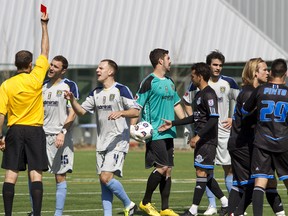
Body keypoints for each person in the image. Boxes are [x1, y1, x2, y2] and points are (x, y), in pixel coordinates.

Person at [64, 59, 139, 216]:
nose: (97, 70)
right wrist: (72, 100)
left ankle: (129, 204)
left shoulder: (121, 90)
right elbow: (81, 111)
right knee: (103, 182)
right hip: (102, 143)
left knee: (106, 177)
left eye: (101, 68)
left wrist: (121, 112)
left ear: (110, 72)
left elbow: (135, 111)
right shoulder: (96, 92)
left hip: (118, 141)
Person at [158, 62, 228, 216]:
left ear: (200, 76)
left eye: (193, 76)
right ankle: (225, 202)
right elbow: (195, 118)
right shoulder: (198, 94)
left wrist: (198, 136)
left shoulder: (209, 94)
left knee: (201, 172)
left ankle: (193, 209)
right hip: (202, 140)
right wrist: (173, 123)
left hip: (208, 141)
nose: (191, 78)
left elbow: (213, 119)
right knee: (206, 174)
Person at [0, 12, 50, 216]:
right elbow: (45, 50)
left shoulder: (6, 85)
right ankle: (36, 214)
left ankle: (8, 214)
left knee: (11, 175)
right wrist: (44, 26)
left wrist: (0, 136)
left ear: (15, 65)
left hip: (15, 131)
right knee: (35, 174)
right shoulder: (36, 78)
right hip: (35, 131)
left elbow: (1, 115)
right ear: (30, 65)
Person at [130, 48, 185, 216]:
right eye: (168, 58)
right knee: (162, 167)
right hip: (155, 132)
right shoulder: (149, 82)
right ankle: (145, 202)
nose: (171, 61)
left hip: (169, 132)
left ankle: (165, 208)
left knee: (168, 170)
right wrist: (133, 128)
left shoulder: (169, 81)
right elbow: (137, 106)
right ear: (160, 61)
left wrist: (186, 124)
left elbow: (176, 104)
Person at [183, 50, 239, 215]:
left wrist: (233, 118)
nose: (218, 68)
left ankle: (232, 205)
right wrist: (193, 121)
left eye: (220, 65)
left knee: (228, 169)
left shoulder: (229, 82)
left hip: (224, 133)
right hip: (207, 134)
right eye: (215, 64)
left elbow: (242, 101)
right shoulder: (197, 84)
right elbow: (186, 101)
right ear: (208, 66)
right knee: (207, 170)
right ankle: (212, 205)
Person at [227, 58, 285, 215]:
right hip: (244, 143)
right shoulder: (249, 93)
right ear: (254, 73)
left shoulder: (256, 91)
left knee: (248, 183)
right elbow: (250, 118)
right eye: (264, 69)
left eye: (268, 70)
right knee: (256, 183)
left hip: (246, 142)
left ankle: (233, 212)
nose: (267, 72)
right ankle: (236, 213)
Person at [27, 55, 80, 216]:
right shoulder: (42, 86)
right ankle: (35, 211)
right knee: (34, 174)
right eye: (51, 65)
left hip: (60, 137)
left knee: (60, 176)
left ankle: (58, 214)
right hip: (40, 136)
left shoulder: (69, 86)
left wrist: (62, 132)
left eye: (56, 67)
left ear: (63, 70)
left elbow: (73, 113)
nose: (51, 68)